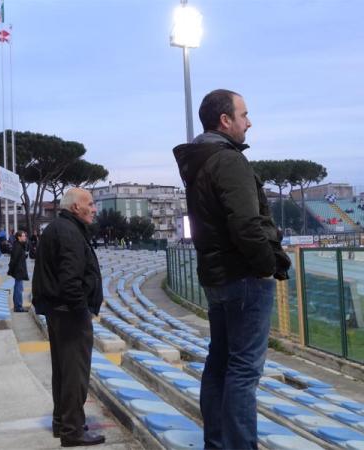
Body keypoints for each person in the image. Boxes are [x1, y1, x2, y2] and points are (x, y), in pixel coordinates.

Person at [173, 89, 291, 450]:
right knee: (242, 370)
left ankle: (217, 443)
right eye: (244, 114)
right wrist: (267, 266)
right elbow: (245, 225)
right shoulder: (228, 160)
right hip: (244, 278)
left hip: (217, 276)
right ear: (225, 120)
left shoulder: (200, 161)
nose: (249, 122)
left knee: (220, 363)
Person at [32, 188, 105, 447]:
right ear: (76, 207)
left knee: (63, 371)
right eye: (91, 204)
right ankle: (73, 430)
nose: (94, 209)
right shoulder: (70, 232)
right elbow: (70, 279)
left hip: (58, 310)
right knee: (75, 373)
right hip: (70, 312)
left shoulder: (59, 228)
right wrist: (81, 311)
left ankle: (62, 422)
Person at [8, 231, 29, 312]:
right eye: (23, 236)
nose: (25, 237)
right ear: (19, 237)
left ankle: (17, 306)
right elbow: (14, 260)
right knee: (18, 289)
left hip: (19, 270)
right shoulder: (17, 246)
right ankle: (18, 307)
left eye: (25, 236)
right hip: (18, 271)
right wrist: (12, 270)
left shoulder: (20, 245)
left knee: (18, 288)